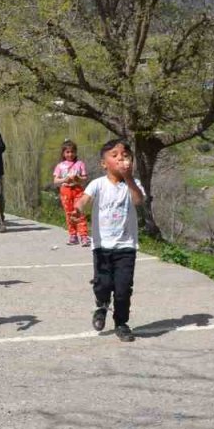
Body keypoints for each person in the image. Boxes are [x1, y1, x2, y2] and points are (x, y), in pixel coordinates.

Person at [71, 139, 146, 342]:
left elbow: (138, 201)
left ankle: (121, 323)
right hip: (102, 246)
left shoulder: (134, 184)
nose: (121, 159)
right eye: (115, 155)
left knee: (123, 289)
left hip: (126, 246)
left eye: (125, 156)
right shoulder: (98, 184)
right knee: (103, 284)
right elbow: (84, 199)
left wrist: (129, 178)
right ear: (104, 163)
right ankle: (102, 304)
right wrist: (78, 209)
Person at [53, 140, 90, 246]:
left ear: (76, 152)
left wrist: (78, 178)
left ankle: (83, 236)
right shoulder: (60, 166)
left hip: (77, 190)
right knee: (69, 213)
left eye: (72, 152)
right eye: (67, 152)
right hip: (65, 191)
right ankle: (73, 235)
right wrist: (65, 180)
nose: (70, 154)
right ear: (63, 153)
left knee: (79, 212)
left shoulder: (80, 164)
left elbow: (85, 178)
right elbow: (55, 181)